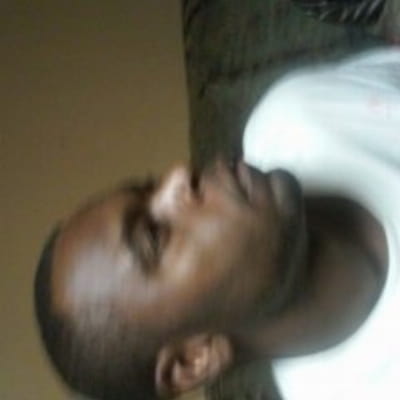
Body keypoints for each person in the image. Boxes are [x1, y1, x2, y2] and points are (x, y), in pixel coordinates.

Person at [34, 46, 400, 400]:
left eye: (149, 188)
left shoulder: (292, 121)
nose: (179, 176)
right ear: (194, 359)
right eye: (155, 235)